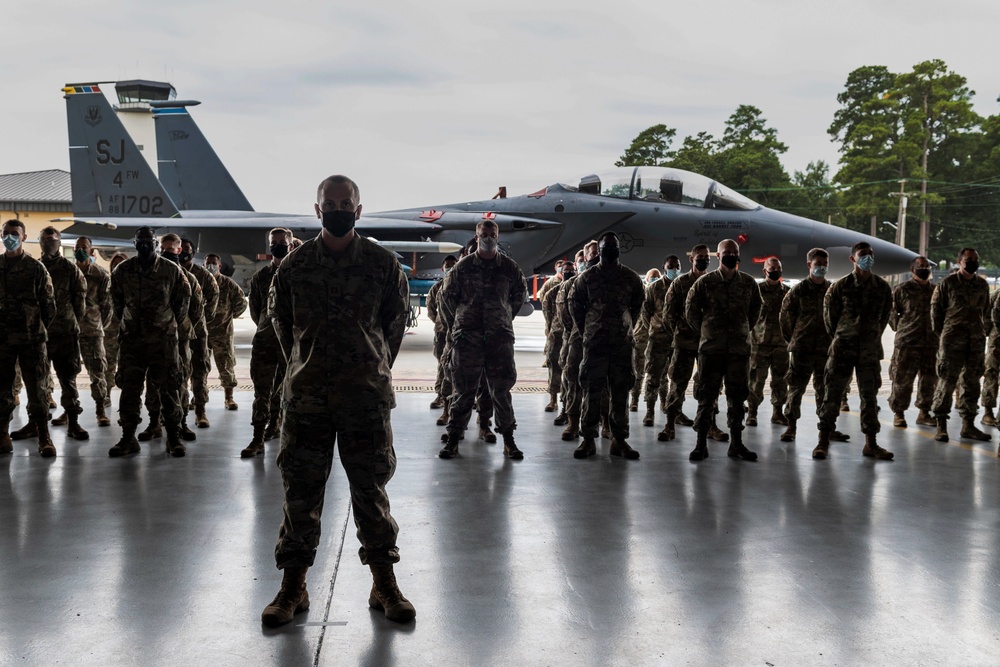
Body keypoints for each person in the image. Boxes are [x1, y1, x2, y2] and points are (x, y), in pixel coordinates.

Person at [262, 174, 414, 627]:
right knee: (300, 492)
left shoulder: (381, 264)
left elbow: (394, 326)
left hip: (364, 398)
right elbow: (282, 326)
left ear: (358, 210)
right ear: (317, 210)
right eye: (330, 204)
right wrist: (305, 367)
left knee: (371, 490)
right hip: (307, 399)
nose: (338, 210)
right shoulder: (294, 266)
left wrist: (370, 367)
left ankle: (384, 584)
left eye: (345, 203)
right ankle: (293, 587)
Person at [439, 218, 528, 459]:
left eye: (492, 234)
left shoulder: (509, 268)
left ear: (498, 237)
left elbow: (518, 297)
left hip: (499, 339)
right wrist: (461, 324)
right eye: (484, 234)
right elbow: (448, 299)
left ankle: (508, 440)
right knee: (463, 391)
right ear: (477, 237)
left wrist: (502, 317)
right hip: (468, 339)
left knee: (501, 391)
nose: (488, 238)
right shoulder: (463, 268)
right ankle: (453, 439)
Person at [109, 227, 190, 457]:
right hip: (132, 342)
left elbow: (181, 304)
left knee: (169, 389)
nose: (144, 245)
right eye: (140, 241)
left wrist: (164, 325)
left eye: (149, 241)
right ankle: (128, 438)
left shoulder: (171, 270)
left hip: (162, 342)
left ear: (155, 243)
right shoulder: (123, 270)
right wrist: (132, 324)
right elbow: (117, 304)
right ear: (135, 243)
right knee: (130, 389)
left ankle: (173, 437)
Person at [813, 242, 894, 460]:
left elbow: (884, 317)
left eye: (870, 254)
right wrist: (843, 336)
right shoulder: (840, 286)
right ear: (853, 259)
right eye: (863, 254)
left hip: (869, 349)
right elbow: (830, 319)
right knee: (832, 394)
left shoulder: (882, 287)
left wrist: (871, 336)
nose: (867, 257)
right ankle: (823, 441)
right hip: (843, 348)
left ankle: (871, 444)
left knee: (870, 396)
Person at [685, 239, 762, 461]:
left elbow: (755, 311)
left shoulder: (748, 283)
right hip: (711, 349)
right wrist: (707, 331)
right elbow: (691, 311)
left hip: (738, 351)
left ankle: (736, 444)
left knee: (737, 398)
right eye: (726, 252)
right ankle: (701, 444)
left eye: (734, 252)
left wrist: (742, 329)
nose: (731, 255)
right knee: (706, 397)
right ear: (718, 256)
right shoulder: (705, 282)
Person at [570, 232, 645, 459]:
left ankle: (619, 440)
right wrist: (588, 330)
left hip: (621, 346)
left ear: (619, 249)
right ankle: (588, 439)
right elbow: (575, 306)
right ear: (599, 251)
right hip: (595, 345)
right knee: (591, 392)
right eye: (605, 247)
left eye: (613, 246)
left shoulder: (631, 278)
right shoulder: (587, 278)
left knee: (620, 394)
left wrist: (625, 327)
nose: (610, 250)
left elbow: (637, 306)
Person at [778, 248, 846, 444]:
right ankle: (791, 427)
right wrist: (795, 339)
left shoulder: (832, 290)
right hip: (802, 349)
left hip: (826, 349)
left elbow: (839, 317)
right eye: (818, 264)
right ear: (809, 265)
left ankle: (827, 428)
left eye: (825, 264)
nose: (822, 267)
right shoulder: (798, 291)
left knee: (825, 390)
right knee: (796, 389)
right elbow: (785, 320)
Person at [0, 219, 56, 457]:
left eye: (14, 233)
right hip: (2, 341)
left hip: (31, 340)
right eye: (5, 233)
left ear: (23, 237)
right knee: (1, 390)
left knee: (37, 390)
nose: (9, 237)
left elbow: (49, 307)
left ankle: (43, 436)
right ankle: (2, 435)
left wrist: (35, 329)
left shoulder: (35, 269)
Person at [28, 227, 88, 442]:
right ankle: (36, 424)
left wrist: (70, 323)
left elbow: (80, 302)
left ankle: (73, 422)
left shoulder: (70, 269)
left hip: (65, 334)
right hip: (40, 335)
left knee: (68, 379)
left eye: (52, 240)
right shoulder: (34, 267)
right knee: (38, 381)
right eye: (44, 240)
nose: (48, 244)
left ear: (59, 243)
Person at [930, 248, 992, 443]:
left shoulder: (982, 284)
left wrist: (982, 332)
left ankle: (968, 425)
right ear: (959, 261)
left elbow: (986, 312)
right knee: (947, 382)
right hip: (952, 342)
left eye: (975, 259)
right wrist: (945, 335)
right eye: (968, 259)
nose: (972, 262)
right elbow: (936, 313)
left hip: (975, 342)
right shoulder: (947, 283)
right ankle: (941, 425)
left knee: (972, 383)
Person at [242, 228, 291, 458]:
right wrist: (267, 328)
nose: (277, 245)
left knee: (287, 391)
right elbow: (255, 310)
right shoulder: (261, 277)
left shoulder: (298, 274)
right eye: (274, 242)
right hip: (266, 342)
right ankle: (257, 438)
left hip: (291, 345)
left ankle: (278, 426)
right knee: (262, 392)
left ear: (290, 244)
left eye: (282, 242)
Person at [658, 245, 710, 442]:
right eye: (700, 256)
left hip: (707, 344)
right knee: (678, 384)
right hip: (684, 343)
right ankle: (670, 424)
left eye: (706, 257)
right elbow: (668, 315)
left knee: (708, 385)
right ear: (692, 259)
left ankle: (709, 426)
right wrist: (677, 336)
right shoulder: (680, 283)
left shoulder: (712, 282)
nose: (703, 260)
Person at [888, 256, 938, 428]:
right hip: (908, 342)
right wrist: (903, 328)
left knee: (929, 381)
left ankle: (924, 413)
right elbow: (892, 314)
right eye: (920, 266)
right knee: (902, 380)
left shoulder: (936, 290)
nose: (924, 269)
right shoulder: (902, 289)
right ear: (912, 269)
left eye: (927, 266)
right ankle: (899, 413)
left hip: (931, 343)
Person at [71, 236, 113, 427]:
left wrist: (98, 326)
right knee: (68, 374)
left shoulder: (100, 275)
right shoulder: (68, 272)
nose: (80, 250)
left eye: (84, 247)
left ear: (91, 250)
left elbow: (107, 306)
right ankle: (70, 412)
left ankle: (100, 410)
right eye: (77, 247)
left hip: (92, 331)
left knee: (97, 373)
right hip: (69, 331)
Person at [557, 244, 597, 440]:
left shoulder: (611, 280)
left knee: (601, 383)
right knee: (573, 380)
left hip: (602, 340)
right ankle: (573, 423)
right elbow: (564, 314)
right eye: (593, 253)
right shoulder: (571, 284)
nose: (597, 256)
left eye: (599, 253)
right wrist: (578, 330)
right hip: (578, 340)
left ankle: (603, 423)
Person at [180, 238, 220, 428]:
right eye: (181, 249)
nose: (183, 252)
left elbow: (213, 298)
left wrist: (201, 319)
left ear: (193, 252)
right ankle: (177, 414)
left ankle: (200, 411)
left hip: (197, 332)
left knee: (200, 371)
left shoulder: (203, 275)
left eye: (187, 249)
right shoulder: (170, 271)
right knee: (177, 372)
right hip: (176, 332)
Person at [747, 257, 790, 427]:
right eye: (772, 269)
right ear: (765, 271)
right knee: (756, 380)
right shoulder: (755, 291)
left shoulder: (788, 293)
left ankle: (777, 413)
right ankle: (752, 413)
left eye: (778, 268)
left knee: (780, 380)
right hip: (759, 344)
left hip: (781, 344)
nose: (775, 271)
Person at [641, 255, 680, 427]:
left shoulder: (682, 287)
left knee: (676, 378)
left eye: (677, 266)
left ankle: (671, 408)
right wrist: (655, 328)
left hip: (677, 340)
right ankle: (650, 411)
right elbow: (645, 313)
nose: (674, 269)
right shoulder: (654, 288)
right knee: (653, 377)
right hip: (658, 339)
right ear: (664, 267)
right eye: (670, 266)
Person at [205, 253, 248, 410]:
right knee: (199, 367)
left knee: (226, 366)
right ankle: (198, 397)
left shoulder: (228, 284)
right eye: (208, 263)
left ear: (220, 266)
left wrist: (229, 316)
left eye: (214, 263)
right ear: (204, 265)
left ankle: (229, 398)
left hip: (222, 332)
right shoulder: (200, 282)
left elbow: (241, 303)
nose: (210, 266)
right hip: (202, 332)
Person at [426, 255, 458, 413]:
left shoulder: (461, 285)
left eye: (453, 264)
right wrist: (439, 321)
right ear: (442, 268)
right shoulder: (437, 287)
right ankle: (440, 395)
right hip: (442, 332)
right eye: (448, 265)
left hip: (459, 331)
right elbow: (430, 307)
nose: (450, 267)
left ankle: (461, 395)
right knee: (442, 364)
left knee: (461, 365)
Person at [103, 252, 128, 402]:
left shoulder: (132, 283)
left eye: (120, 263)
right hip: (110, 329)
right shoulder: (107, 282)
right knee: (108, 363)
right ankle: (106, 393)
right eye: (114, 264)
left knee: (128, 364)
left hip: (127, 328)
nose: (116, 266)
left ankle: (129, 396)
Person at [982, 289, 1000, 427]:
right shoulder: (997, 294)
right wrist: (988, 332)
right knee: (991, 373)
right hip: (997, 339)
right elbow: (986, 314)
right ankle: (988, 412)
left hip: (995, 337)